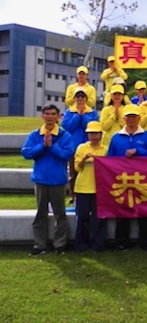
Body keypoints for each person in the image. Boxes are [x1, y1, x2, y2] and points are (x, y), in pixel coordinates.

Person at [22, 104, 76, 255]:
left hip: (57, 180)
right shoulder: (35, 135)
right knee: (41, 214)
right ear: (42, 116)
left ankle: (60, 245)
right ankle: (40, 245)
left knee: (60, 214)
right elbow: (26, 153)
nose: (50, 116)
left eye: (53, 114)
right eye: (47, 114)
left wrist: (52, 147)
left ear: (59, 117)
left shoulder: (65, 135)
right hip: (40, 179)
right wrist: (43, 146)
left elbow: (67, 154)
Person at [107, 104, 147, 250]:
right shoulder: (116, 137)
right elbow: (110, 159)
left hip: (142, 180)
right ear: (123, 118)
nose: (131, 120)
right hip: (122, 180)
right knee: (122, 211)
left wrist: (138, 151)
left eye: (134, 117)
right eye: (128, 117)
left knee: (144, 211)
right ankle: (122, 242)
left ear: (139, 118)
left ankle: (145, 242)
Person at [73, 121, 108, 252]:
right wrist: (84, 159)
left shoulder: (105, 150)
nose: (94, 136)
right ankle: (82, 244)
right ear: (87, 135)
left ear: (101, 134)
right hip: (83, 187)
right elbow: (77, 167)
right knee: (83, 217)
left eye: (96, 133)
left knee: (99, 218)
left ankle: (98, 244)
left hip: (99, 188)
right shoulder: (81, 148)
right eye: (91, 134)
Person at [61, 87, 99, 198]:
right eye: (78, 96)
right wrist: (77, 116)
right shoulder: (69, 112)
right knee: (73, 172)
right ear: (74, 98)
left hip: (89, 146)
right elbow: (67, 127)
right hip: (74, 146)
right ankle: (74, 196)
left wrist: (83, 116)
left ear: (86, 98)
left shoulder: (92, 112)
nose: (80, 99)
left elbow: (92, 126)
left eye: (82, 96)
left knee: (90, 172)